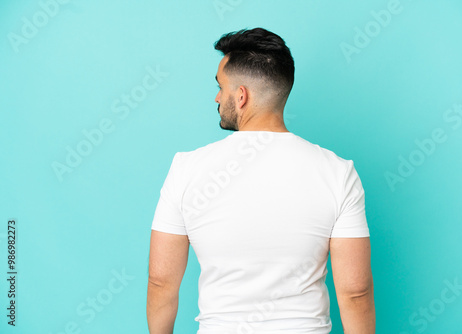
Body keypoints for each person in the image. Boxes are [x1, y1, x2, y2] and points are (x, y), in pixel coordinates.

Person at [147, 27, 375, 334]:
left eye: (221, 87)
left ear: (241, 96)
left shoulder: (186, 168)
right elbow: (355, 292)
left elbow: (161, 282)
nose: (217, 97)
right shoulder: (338, 171)